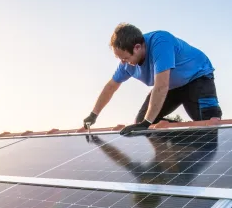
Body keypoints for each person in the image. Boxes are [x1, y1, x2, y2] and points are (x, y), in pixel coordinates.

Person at [83, 23, 222, 136]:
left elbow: (161, 86)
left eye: (125, 58)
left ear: (137, 47)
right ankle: (180, 147)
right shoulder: (126, 65)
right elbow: (111, 87)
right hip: (171, 87)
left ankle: (199, 134)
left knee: (209, 124)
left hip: (196, 78)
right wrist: (93, 115)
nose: (123, 63)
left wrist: (146, 122)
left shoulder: (160, 42)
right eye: (120, 59)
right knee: (141, 123)